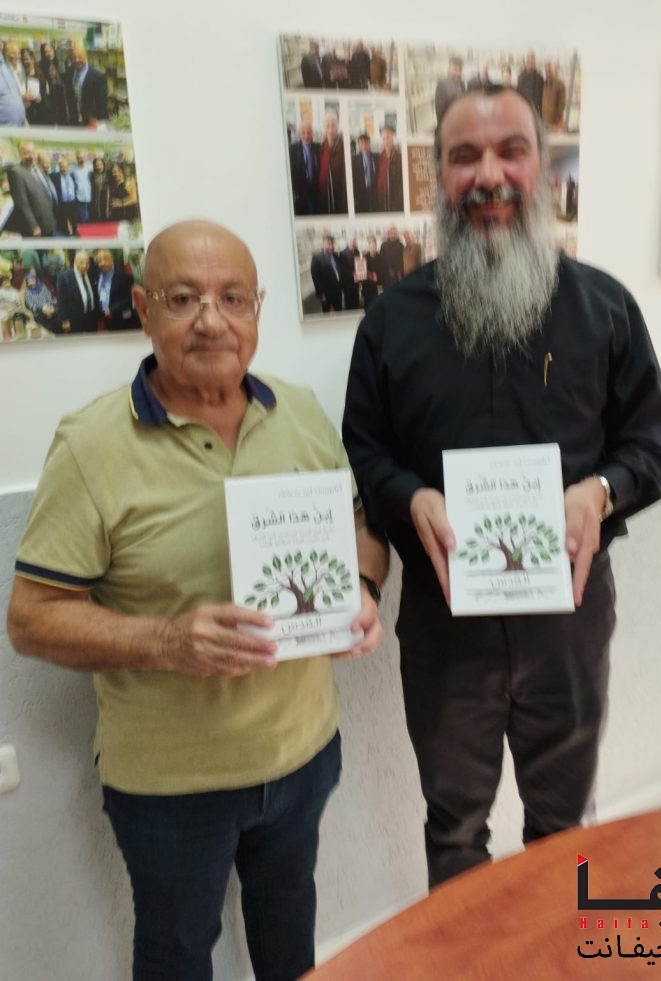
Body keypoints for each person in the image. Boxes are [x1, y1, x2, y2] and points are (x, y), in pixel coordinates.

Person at [7, 219, 388, 981]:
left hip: (302, 752)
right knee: (177, 951)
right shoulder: (90, 444)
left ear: (258, 310)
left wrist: (363, 587)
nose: (212, 320)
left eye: (233, 298)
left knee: (290, 933)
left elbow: (359, 526)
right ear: (144, 309)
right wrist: (167, 641)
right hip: (172, 786)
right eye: (184, 298)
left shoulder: (301, 413)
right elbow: (30, 618)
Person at [342, 86, 661, 889]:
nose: (489, 174)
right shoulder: (391, 320)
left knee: (564, 824)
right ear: (440, 175)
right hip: (444, 622)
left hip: (569, 617)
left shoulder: (604, 308)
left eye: (510, 151)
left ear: (543, 166)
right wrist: (409, 496)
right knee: (454, 825)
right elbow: (366, 448)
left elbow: (653, 442)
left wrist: (600, 489)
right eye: (465, 156)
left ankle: (561, 948)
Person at [6, 140, 57, 237]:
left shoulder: (38, 168)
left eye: (33, 152)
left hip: (49, 219)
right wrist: (33, 226)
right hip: (38, 226)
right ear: (20, 154)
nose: (32, 156)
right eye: (27, 153)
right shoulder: (16, 172)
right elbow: (21, 203)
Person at [65, 41, 108, 127]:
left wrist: (95, 117)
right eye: (74, 57)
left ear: (86, 56)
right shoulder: (69, 71)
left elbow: (101, 101)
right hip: (74, 119)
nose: (77, 60)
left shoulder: (97, 75)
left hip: (91, 119)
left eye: (80, 57)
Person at [94, 248, 140, 330]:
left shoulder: (124, 277)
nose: (102, 263)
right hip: (105, 320)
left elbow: (128, 300)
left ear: (111, 259)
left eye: (105, 259)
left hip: (121, 320)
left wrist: (112, 310)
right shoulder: (97, 274)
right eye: (99, 260)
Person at [56, 249, 98, 333]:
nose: (85, 266)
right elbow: (61, 301)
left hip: (91, 317)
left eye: (87, 263)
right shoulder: (64, 277)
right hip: (75, 320)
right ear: (75, 262)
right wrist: (65, 320)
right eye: (82, 262)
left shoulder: (90, 273)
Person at [317, 110, 347, 215]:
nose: (330, 129)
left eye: (333, 125)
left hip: (337, 196)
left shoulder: (343, 147)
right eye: (327, 126)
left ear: (337, 127)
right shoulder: (322, 147)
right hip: (324, 194)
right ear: (324, 128)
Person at [289, 121, 320, 216]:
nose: (306, 136)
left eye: (309, 132)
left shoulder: (318, 147)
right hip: (300, 194)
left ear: (312, 134)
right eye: (303, 132)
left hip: (315, 192)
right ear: (299, 134)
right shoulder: (292, 149)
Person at [310, 233, 343, 313]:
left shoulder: (335, 256)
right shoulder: (317, 258)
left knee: (339, 313)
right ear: (323, 244)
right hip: (327, 295)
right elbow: (316, 278)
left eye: (332, 244)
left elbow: (339, 272)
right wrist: (321, 295)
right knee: (329, 315)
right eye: (328, 244)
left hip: (337, 293)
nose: (331, 246)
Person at [375, 124, 404, 212]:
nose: (386, 141)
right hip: (381, 201)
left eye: (388, 138)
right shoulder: (379, 158)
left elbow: (402, 183)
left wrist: (398, 202)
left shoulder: (399, 158)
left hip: (395, 203)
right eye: (383, 138)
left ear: (393, 138)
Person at [51, 156, 78, 236]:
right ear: (59, 167)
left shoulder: (72, 176)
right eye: (62, 167)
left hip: (72, 202)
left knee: (73, 221)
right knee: (64, 223)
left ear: (68, 167)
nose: (64, 169)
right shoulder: (54, 177)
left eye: (66, 167)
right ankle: (67, 234)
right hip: (62, 203)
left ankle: (74, 233)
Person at [351, 132, 377, 213]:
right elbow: (353, 179)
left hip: (374, 192)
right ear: (359, 145)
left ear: (369, 143)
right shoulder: (354, 160)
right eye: (361, 143)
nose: (364, 145)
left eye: (366, 142)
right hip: (360, 193)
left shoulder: (376, 157)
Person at [434, 56, 465, 123]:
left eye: (459, 70)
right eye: (455, 69)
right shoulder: (442, 84)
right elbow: (439, 111)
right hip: (449, 123)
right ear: (449, 69)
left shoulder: (462, 84)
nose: (457, 73)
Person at [517, 51, 544, 116]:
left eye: (532, 61)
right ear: (526, 62)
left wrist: (540, 114)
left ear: (535, 63)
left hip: (533, 111)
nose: (530, 63)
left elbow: (540, 98)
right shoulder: (521, 76)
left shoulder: (539, 77)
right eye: (528, 61)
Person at [541, 60, 566, 131]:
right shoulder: (544, 84)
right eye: (546, 70)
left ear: (554, 70)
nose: (547, 72)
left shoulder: (560, 84)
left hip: (555, 122)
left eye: (549, 70)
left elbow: (562, 104)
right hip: (544, 121)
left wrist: (557, 119)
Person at [88, 156, 110, 221]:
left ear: (103, 165)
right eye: (97, 165)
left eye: (100, 165)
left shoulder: (109, 174)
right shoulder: (92, 176)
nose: (99, 167)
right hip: (97, 204)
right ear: (94, 167)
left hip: (108, 203)